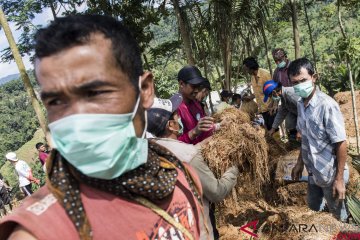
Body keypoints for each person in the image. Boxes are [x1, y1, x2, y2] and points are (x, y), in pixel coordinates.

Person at [0, 15, 204, 240]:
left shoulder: (182, 177)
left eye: (95, 92)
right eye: (56, 102)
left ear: (145, 90)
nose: (77, 121)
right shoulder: (42, 230)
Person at [147, 98, 238, 240]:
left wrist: (201, 145)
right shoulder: (189, 155)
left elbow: (178, 154)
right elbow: (217, 192)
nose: (180, 119)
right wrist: (235, 166)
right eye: (177, 116)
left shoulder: (148, 150)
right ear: (171, 125)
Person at [290, 58, 348, 222]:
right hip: (314, 172)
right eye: (295, 83)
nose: (300, 86)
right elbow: (304, 137)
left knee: (339, 218)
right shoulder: (301, 104)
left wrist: (339, 180)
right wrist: (300, 163)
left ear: (313, 77)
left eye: (303, 80)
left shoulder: (327, 105)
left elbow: (341, 143)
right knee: (313, 208)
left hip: (330, 174)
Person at [176, 65, 215, 145]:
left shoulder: (196, 104)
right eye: (193, 86)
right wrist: (194, 132)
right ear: (181, 84)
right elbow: (173, 144)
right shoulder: (174, 109)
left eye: (198, 86)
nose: (197, 90)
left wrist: (217, 126)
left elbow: (204, 130)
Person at [243, 57, 274, 130]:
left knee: (274, 129)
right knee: (268, 129)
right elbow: (259, 92)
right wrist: (251, 97)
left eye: (246, 69)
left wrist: (272, 106)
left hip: (270, 108)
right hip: (262, 109)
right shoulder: (252, 77)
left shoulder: (265, 74)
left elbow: (274, 92)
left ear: (251, 67)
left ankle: (279, 141)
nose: (246, 71)